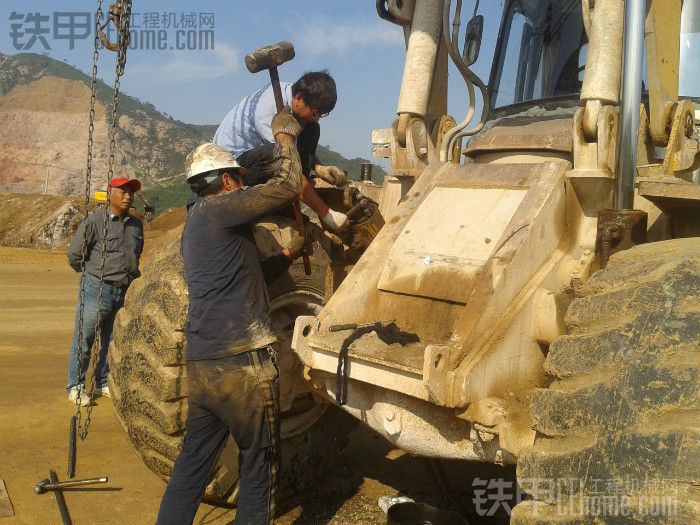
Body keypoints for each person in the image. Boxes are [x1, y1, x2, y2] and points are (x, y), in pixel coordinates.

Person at [156, 106, 309, 525]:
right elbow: (289, 184)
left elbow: (244, 277)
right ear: (226, 181)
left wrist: (287, 255)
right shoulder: (222, 208)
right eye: (241, 182)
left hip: (205, 366)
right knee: (258, 466)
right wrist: (284, 138)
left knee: (190, 470)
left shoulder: (195, 226)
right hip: (244, 364)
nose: (244, 190)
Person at [214, 70, 349, 233]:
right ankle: (292, 195)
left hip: (258, 160)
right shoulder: (269, 110)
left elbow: (293, 148)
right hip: (231, 169)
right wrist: (326, 214)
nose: (317, 118)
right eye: (315, 113)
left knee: (312, 128)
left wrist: (319, 168)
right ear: (299, 97)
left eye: (321, 115)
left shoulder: (291, 98)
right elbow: (285, 162)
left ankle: (292, 195)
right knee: (278, 154)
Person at [66, 177, 144, 406]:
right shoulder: (95, 221)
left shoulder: (136, 224)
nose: (128, 196)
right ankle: (76, 386)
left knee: (112, 339)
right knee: (85, 338)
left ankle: (102, 382)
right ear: (111, 193)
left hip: (124, 290)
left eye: (131, 192)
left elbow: (136, 253)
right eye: (124, 191)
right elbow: (75, 255)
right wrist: (92, 276)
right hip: (96, 288)